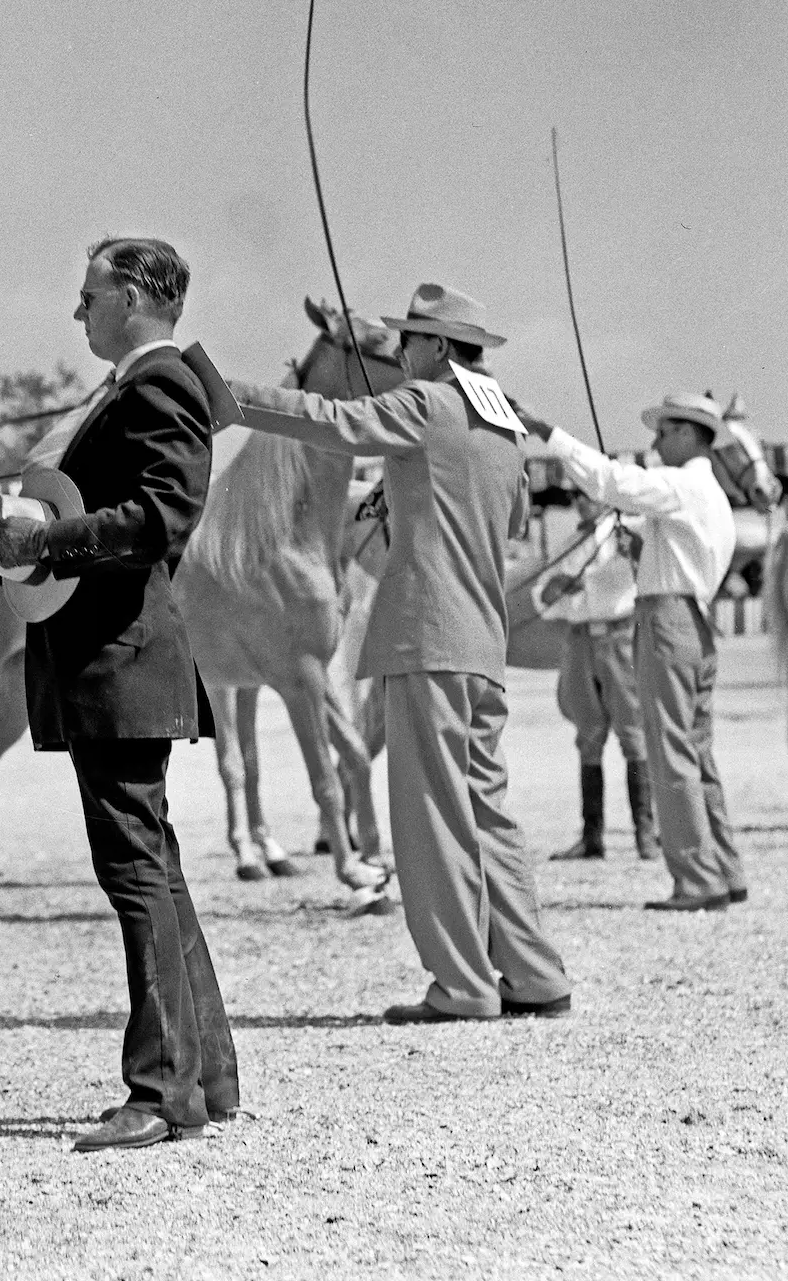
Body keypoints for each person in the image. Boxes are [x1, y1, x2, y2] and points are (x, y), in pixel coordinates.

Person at [0, 235, 237, 1153]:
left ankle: (160, 1093)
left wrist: (40, 545)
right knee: (153, 870)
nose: (77, 309)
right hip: (109, 662)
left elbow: (161, 516)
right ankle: (203, 1080)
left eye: (88, 293)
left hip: (120, 661)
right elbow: (49, 535)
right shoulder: (126, 391)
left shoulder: (157, 384)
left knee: (136, 872)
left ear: (133, 294)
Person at [225, 282, 572, 1025]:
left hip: (425, 637)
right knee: (484, 812)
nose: (401, 355)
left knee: (429, 818)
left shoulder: (426, 405)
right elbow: (503, 519)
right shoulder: (502, 422)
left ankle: (461, 985)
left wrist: (225, 393)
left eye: (409, 342)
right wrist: (405, 487)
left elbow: (334, 418)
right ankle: (533, 973)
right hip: (481, 640)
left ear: (438, 348)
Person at [516, 393, 744, 911]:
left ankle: (697, 880)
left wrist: (549, 431)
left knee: (672, 752)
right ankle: (724, 868)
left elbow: (611, 482)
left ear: (689, 433)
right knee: (698, 751)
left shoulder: (681, 485)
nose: (655, 442)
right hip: (697, 623)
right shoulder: (709, 496)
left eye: (663, 432)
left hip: (668, 622)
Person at [537, 493, 659, 861]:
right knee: (587, 735)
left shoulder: (626, 533)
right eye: (575, 495)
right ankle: (592, 836)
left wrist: (633, 550)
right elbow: (541, 593)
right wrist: (554, 589)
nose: (580, 502)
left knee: (632, 732)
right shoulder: (571, 541)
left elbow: (645, 574)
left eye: (587, 494)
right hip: (579, 640)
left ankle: (646, 833)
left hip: (618, 637)